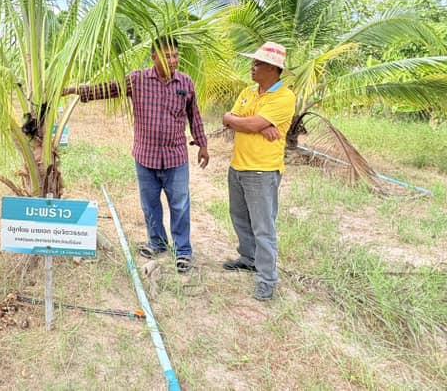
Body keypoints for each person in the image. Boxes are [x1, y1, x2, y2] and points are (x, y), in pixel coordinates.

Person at [64, 37, 209, 273]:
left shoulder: (185, 83)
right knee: (150, 205)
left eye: (175, 55)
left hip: (175, 157)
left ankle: (183, 251)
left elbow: (195, 116)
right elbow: (108, 89)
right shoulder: (138, 80)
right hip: (146, 156)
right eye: (167, 56)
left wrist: (202, 144)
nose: (173, 60)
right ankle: (157, 243)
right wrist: (75, 90)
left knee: (180, 205)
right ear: (154, 57)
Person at [221, 42, 296, 301]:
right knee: (240, 218)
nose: (253, 67)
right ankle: (248, 258)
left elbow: (246, 122)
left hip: (262, 171)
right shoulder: (247, 92)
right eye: (254, 62)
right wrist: (251, 124)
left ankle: (267, 279)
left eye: (258, 63)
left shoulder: (284, 97)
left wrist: (249, 123)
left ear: (274, 69)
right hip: (238, 165)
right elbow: (226, 118)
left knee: (263, 227)